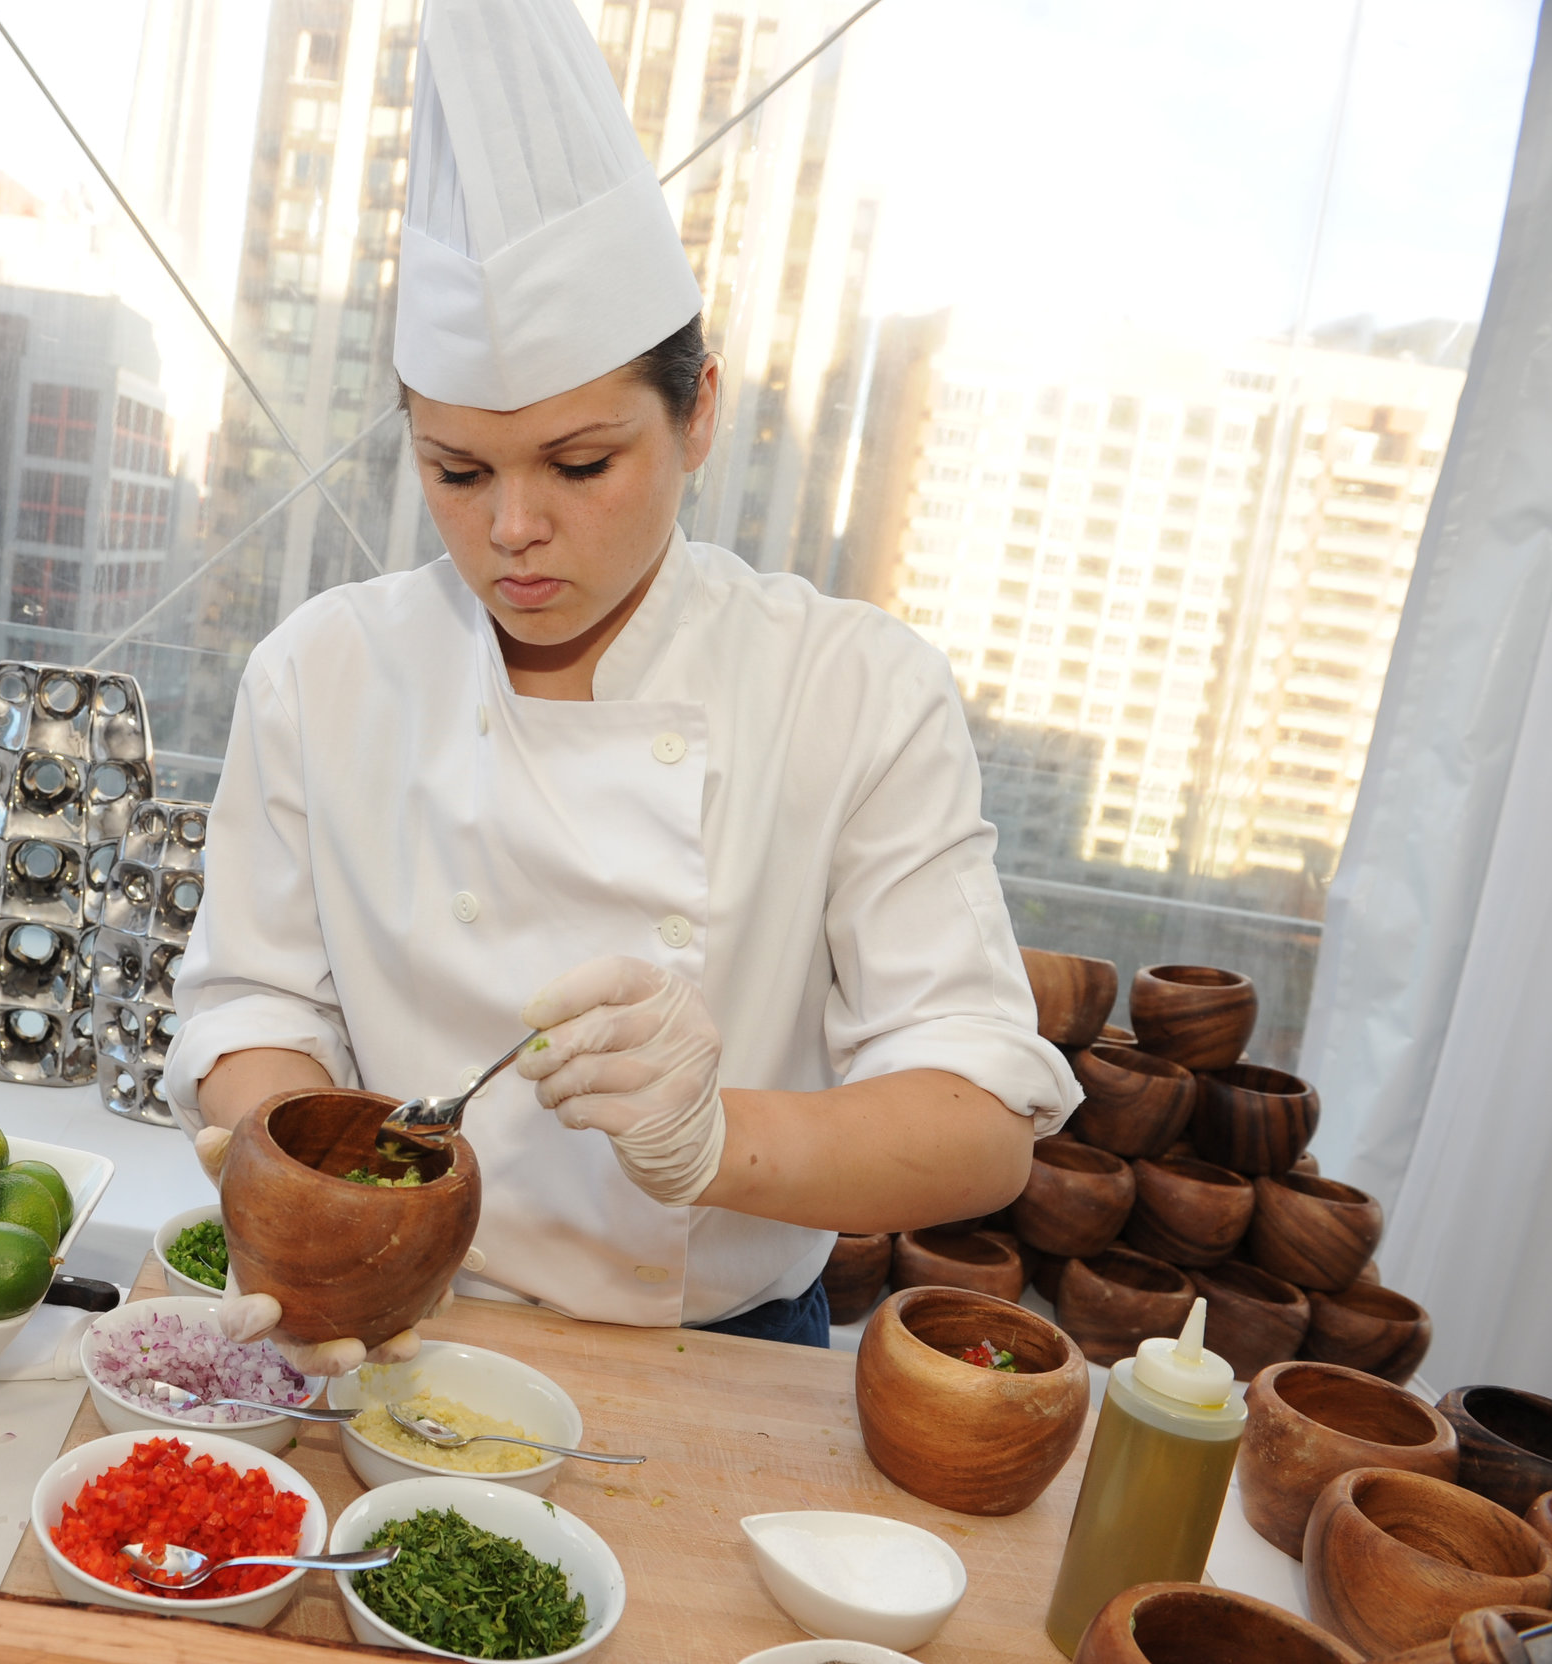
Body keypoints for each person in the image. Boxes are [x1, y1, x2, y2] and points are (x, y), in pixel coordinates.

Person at [167, 0, 1079, 1377]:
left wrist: (712, 1140)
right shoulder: (325, 672)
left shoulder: (852, 689)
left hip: (724, 1351)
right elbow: (250, 1008)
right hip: (394, 1320)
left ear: (700, 408)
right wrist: (315, 1203)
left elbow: (979, 1123)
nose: (512, 530)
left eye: (581, 465)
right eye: (456, 472)